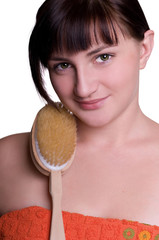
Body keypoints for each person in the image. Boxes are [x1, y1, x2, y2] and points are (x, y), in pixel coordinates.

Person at [0, 0, 159, 239]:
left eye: (103, 57)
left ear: (144, 49)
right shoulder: (8, 159)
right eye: (63, 65)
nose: (83, 88)